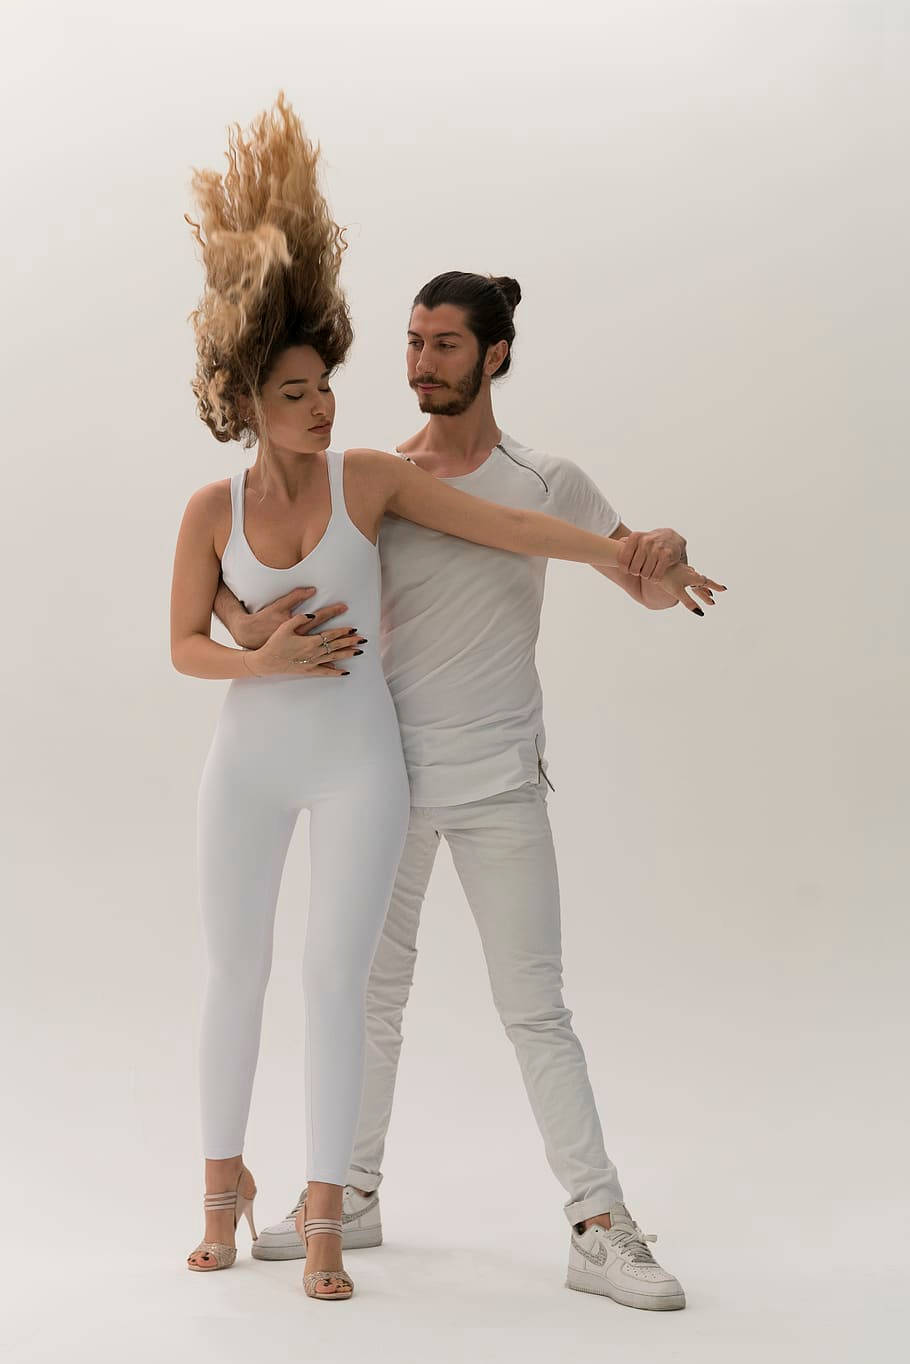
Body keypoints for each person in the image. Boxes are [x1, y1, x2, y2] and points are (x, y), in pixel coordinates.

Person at [173, 96, 721, 1302]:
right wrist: (236, 627)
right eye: (410, 342)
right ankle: (347, 1192)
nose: (416, 363)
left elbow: (610, 556)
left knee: (535, 1007)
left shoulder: (543, 478)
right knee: (363, 989)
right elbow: (258, 578)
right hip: (386, 772)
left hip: (498, 778)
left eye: (442, 344)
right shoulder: (373, 474)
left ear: (494, 354)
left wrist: (655, 553)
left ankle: (598, 1222)